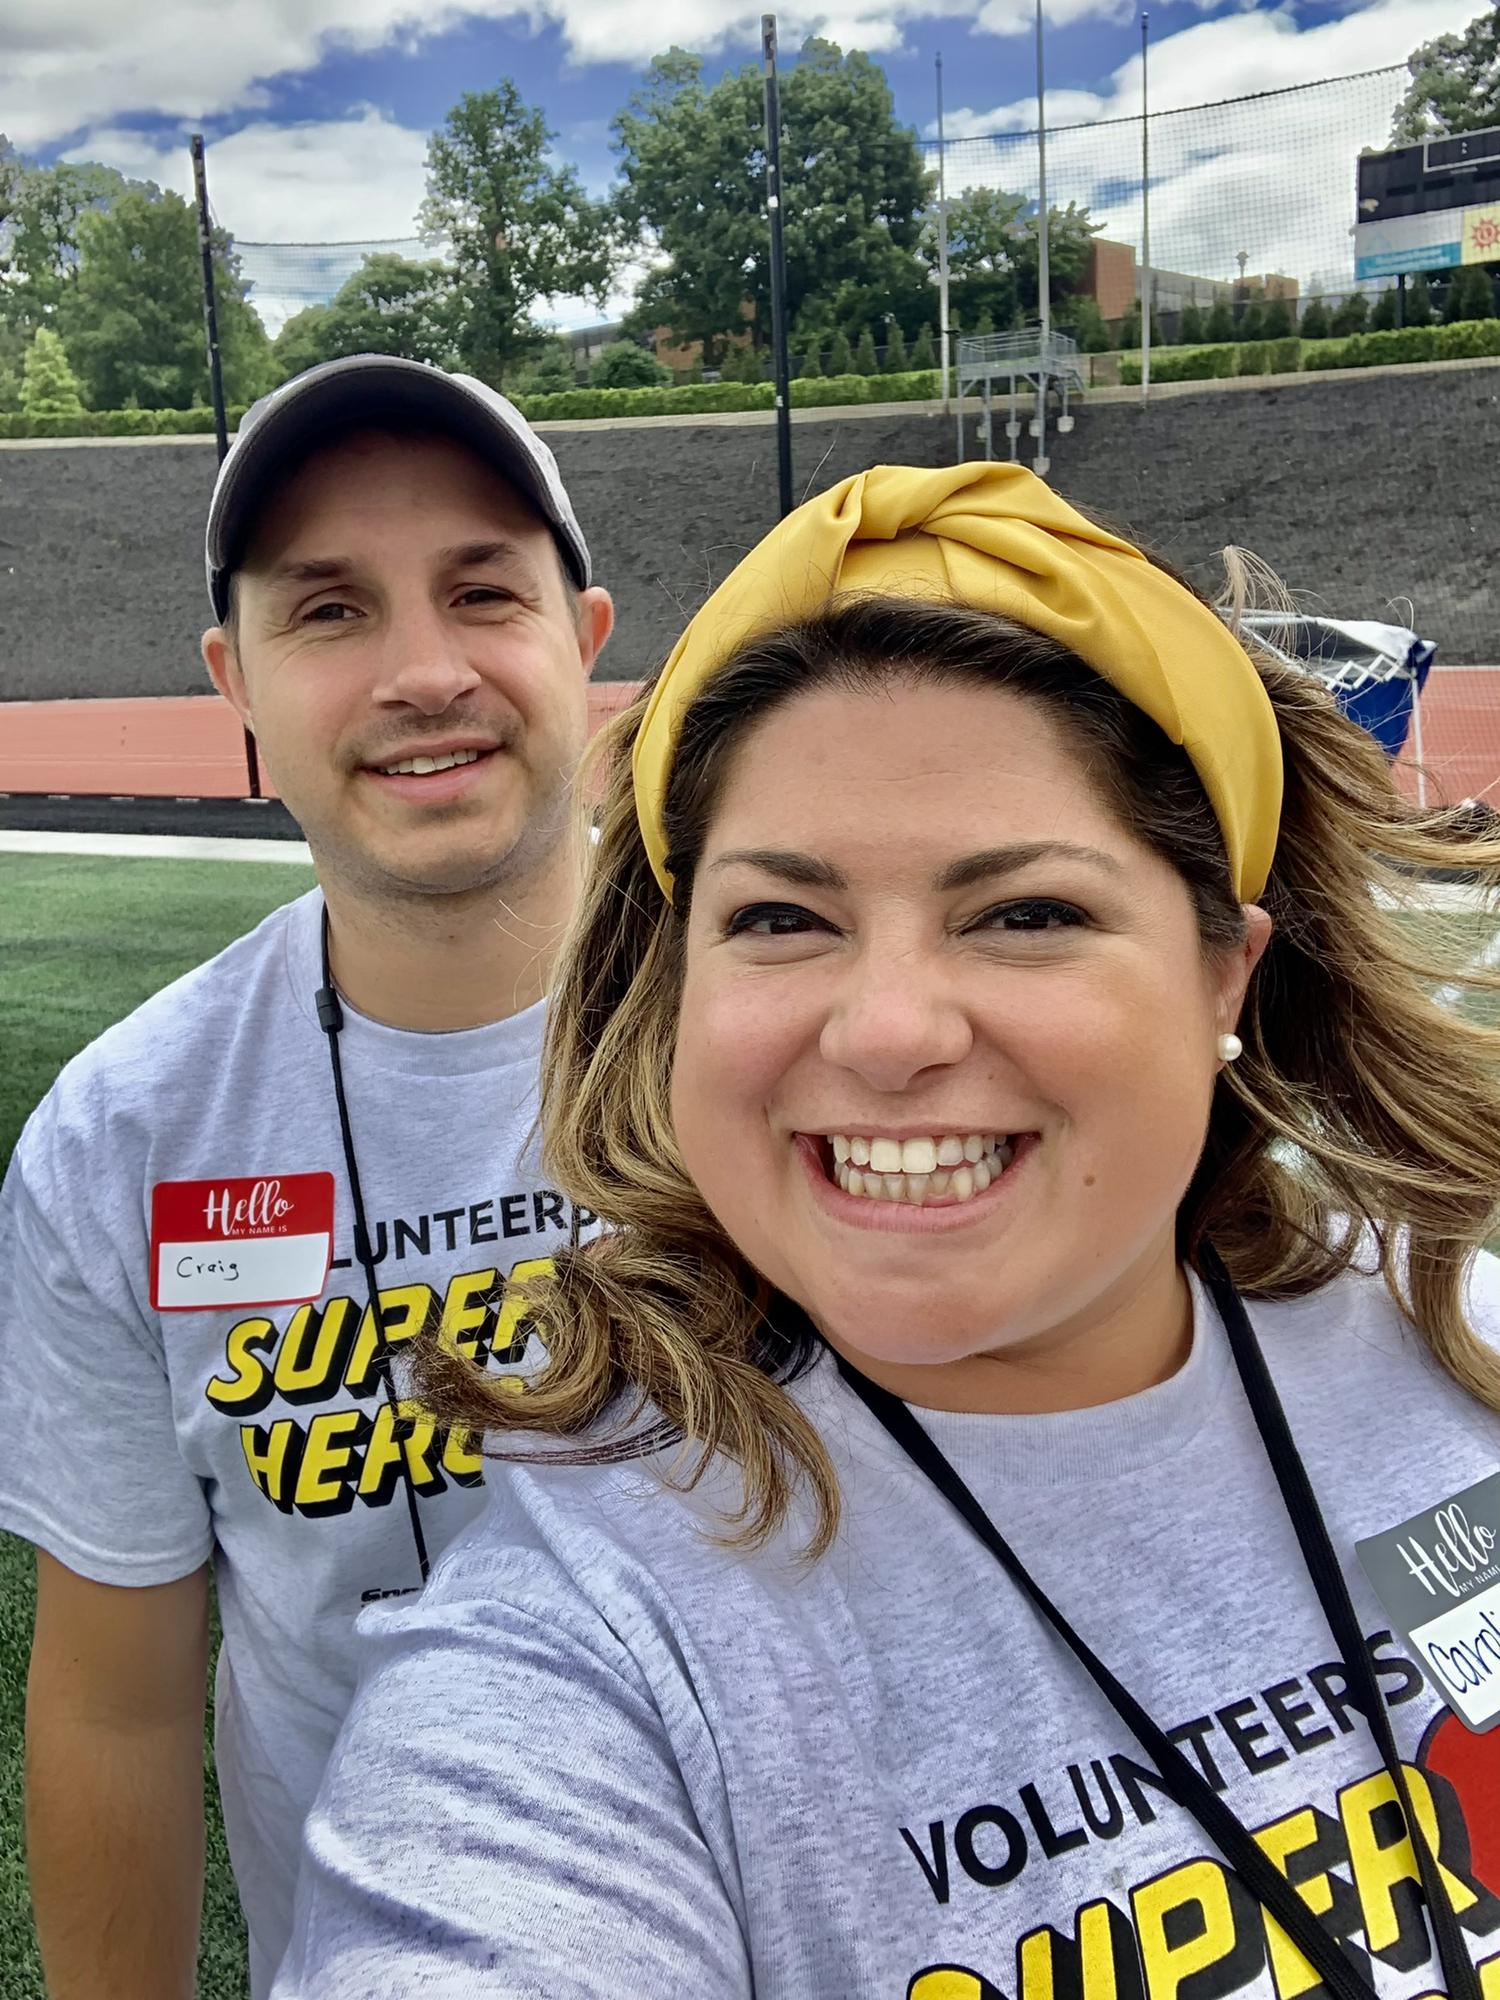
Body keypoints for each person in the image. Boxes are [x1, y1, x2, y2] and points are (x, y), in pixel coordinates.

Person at [277, 464, 1500, 2000]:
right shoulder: (583, 1652)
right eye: (783, 919)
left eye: (1026, 913)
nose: (892, 1031)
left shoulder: (1456, 1344)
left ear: (1223, 978)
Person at [0, 355, 614, 1999]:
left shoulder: (807, 1029)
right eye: (328, 612)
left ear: (587, 644)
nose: (425, 673)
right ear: (238, 684)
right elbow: (118, 1699)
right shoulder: (124, 1139)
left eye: (484, 591)